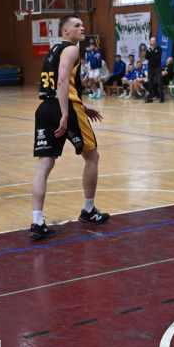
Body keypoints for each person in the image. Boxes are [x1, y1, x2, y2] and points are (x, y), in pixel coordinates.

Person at [30, 15, 109, 240]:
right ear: (66, 31)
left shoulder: (54, 51)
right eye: (77, 25)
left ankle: (37, 222)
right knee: (92, 157)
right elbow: (63, 82)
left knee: (44, 165)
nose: (82, 28)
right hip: (64, 110)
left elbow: (56, 84)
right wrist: (67, 113)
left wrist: (82, 106)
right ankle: (89, 210)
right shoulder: (72, 50)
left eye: (83, 24)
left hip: (44, 108)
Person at [144, 36, 164, 104]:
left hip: (157, 68)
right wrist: (147, 50)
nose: (153, 42)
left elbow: (156, 58)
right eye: (152, 41)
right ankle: (150, 98)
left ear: (155, 42)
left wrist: (150, 54)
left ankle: (162, 98)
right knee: (149, 83)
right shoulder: (148, 49)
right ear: (150, 42)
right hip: (150, 68)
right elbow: (146, 57)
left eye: (154, 41)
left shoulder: (159, 49)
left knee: (159, 82)